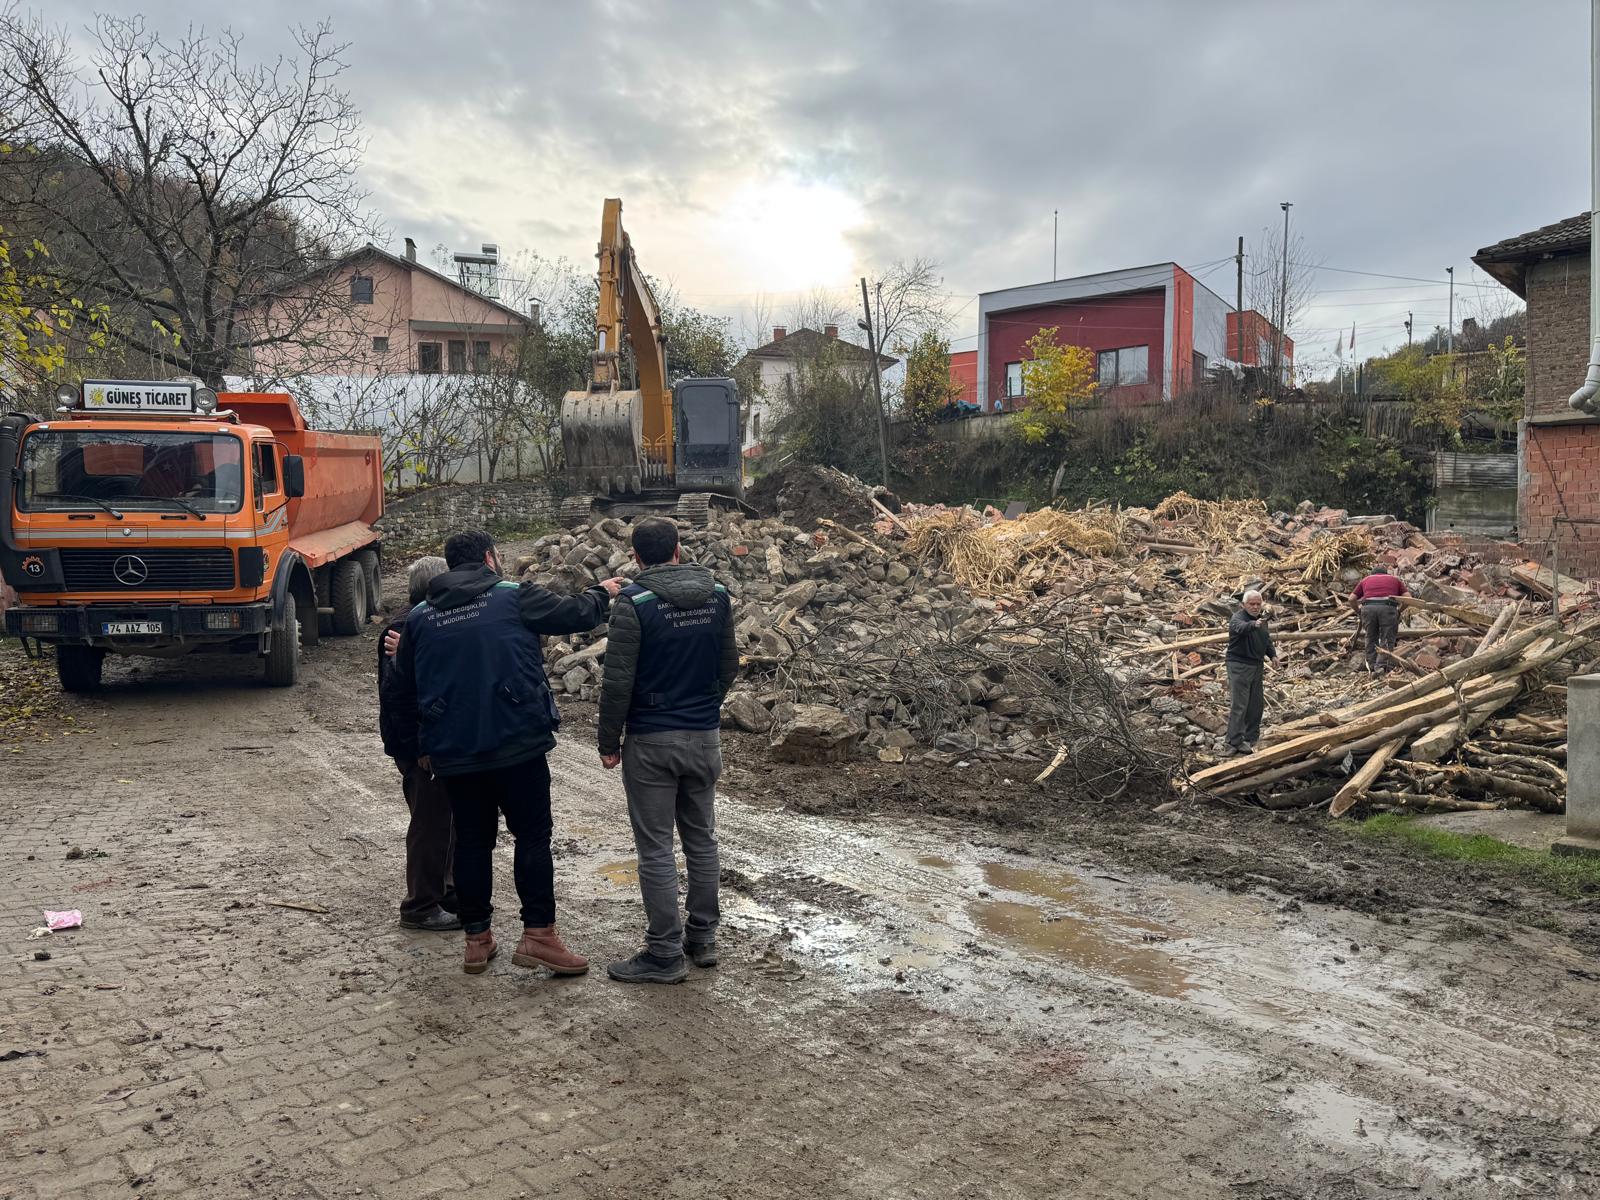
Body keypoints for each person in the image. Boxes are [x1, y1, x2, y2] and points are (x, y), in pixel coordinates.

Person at [389, 530, 625, 976]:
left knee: (474, 842)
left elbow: (401, 690)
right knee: (533, 838)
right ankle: (539, 936)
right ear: (489, 558)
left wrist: (420, 747)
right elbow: (572, 613)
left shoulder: (419, 618)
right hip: (517, 744)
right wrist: (603, 591)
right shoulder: (514, 596)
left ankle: (477, 940)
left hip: (455, 752)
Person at [596, 517, 737, 985]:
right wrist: (704, 706)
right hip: (703, 737)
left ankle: (663, 954)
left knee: (656, 848)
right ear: (679, 549)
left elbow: (618, 681)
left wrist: (608, 740)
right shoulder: (717, 596)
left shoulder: (633, 603)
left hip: (652, 740)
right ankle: (703, 937)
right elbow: (728, 664)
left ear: (636, 557)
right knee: (702, 838)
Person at [379, 555, 459, 933]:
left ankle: (444, 890)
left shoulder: (418, 624)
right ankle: (420, 905)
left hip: (431, 743)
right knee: (430, 823)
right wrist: (419, 748)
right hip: (421, 748)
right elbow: (401, 699)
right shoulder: (406, 629)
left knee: (445, 820)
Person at [1224, 589, 1276, 756]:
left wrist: (1273, 655)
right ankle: (1233, 742)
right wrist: (1254, 624)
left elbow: (1266, 639)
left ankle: (1251, 738)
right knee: (1239, 704)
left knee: (1256, 704)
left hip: (1256, 665)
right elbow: (1241, 628)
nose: (1255, 607)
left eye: (1258, 604)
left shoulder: (1262, 620)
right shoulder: (1237, 618)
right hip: (1239, 664)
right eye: (1251, 604)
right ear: (1243, 605)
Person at [1349, 565, 1409, 675]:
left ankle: (1372, 666)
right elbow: (1408, 598)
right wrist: (1399, 611)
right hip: (1388, 608)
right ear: (1386, 573)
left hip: (1368, 608)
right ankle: (1382, 666)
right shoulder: (1394, 579)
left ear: (1372, 574)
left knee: (1371, 636)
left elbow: (1351, 599)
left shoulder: (1365, 580)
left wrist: (1358, 612)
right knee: (1387, 637)